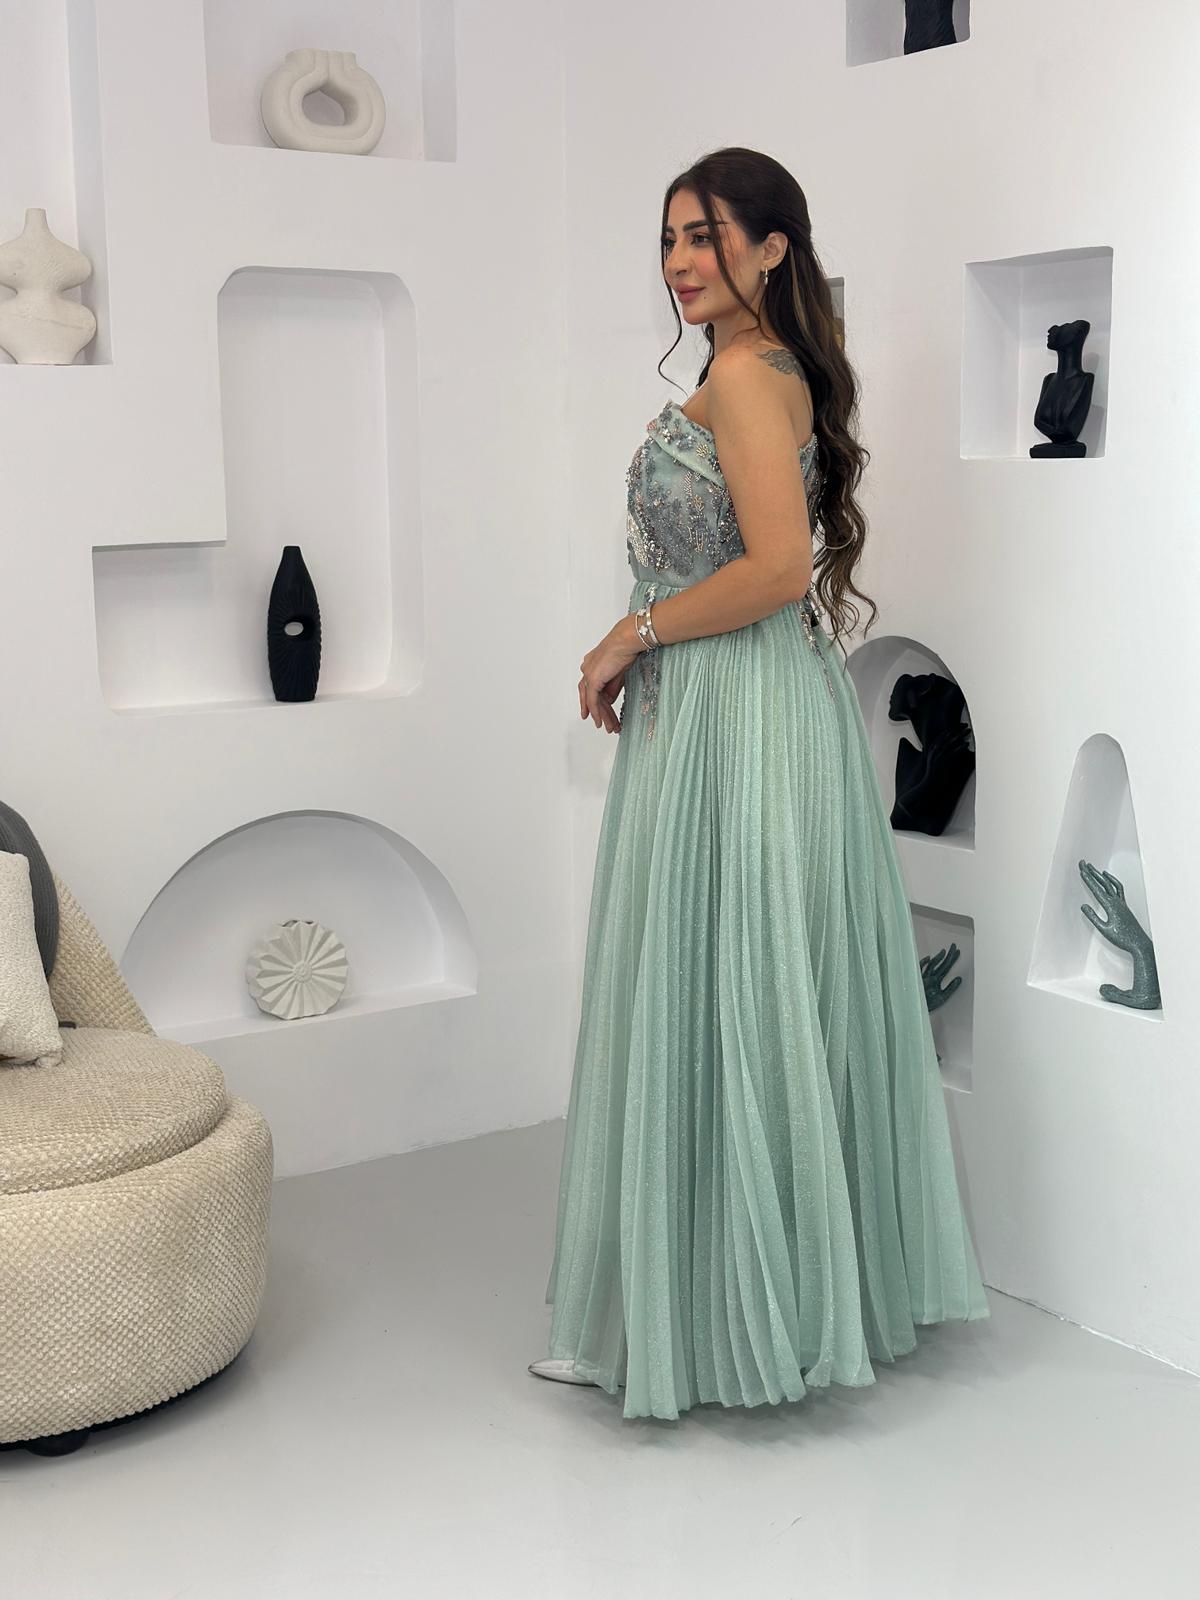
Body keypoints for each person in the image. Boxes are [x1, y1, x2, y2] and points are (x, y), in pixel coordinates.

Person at [529, 147, 990, 1421]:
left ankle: (730, 1315)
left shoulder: (743, 375)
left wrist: (631, 633)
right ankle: (744, 1299)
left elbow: (780, 570)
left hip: (738, 709)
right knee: (736, 983)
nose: (680, 261)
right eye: (670, 238)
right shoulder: (769, 368)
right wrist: (649, 642)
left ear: (773, 245)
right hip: (736, 705)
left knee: (733, 985)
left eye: (707, 235)